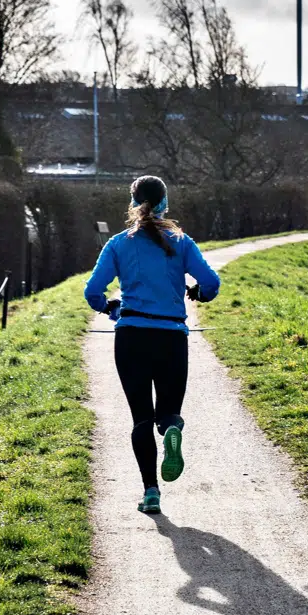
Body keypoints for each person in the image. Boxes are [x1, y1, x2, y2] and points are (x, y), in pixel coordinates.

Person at [84, 175, 220, 514]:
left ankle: (151, 493)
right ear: (165, 203)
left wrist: (109, 307)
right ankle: (171, 427)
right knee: (168, 412)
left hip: (132, 337)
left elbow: (93, 291)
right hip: (171, 337)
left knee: (141, 419)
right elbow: (211, 283)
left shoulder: (118, 243)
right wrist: (199, 294)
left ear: (132, 203)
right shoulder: (182, 242)